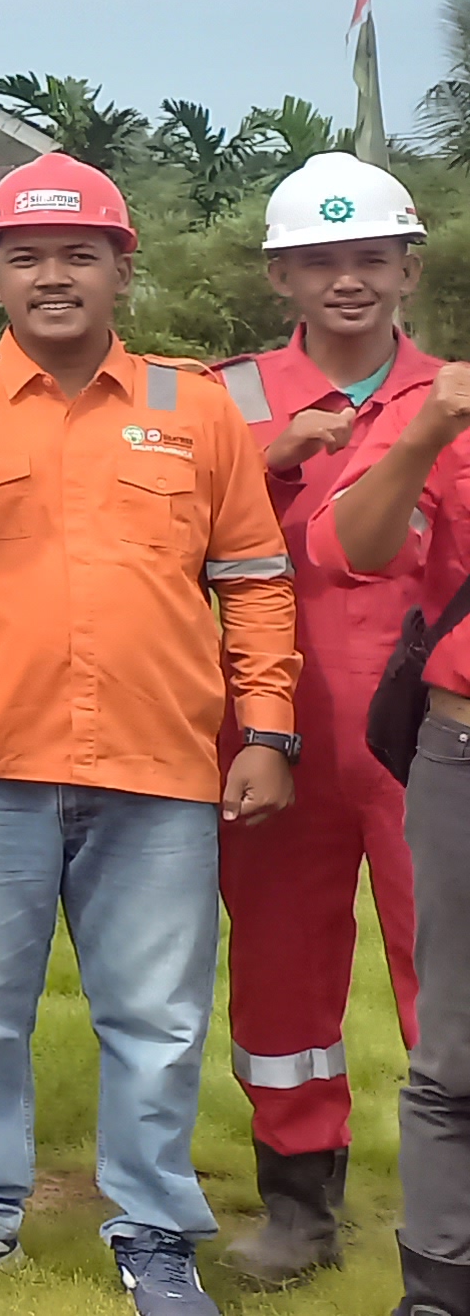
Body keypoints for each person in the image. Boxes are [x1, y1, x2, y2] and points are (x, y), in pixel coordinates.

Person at [0, 155, 295, 1314]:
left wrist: (269, 727)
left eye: (78, 254)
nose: (52, 277)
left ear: (119, 270)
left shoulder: (194, 408)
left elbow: (255, 576)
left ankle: (153, 1232)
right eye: (26, 257)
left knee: (156, 1016)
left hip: (158, 769)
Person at [201, 151, 448, 1287]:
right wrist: (266, 456)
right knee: (283, 970)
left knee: (443, 963)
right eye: (318, 261)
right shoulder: (228, 395)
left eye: (367, 258)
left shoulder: (450, 391)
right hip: (270, 725)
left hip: (421, 735)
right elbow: (163, 524)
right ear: (280, 277)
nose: (345, 280)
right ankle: (298, 1205)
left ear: (406, 265)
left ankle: (449, 1212)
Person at [350, 346, 470, 1314]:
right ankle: (435, 1289)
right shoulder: (449, 404)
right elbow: (355, 541)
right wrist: (430, 429)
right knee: (455, 1045)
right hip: (461, 750)